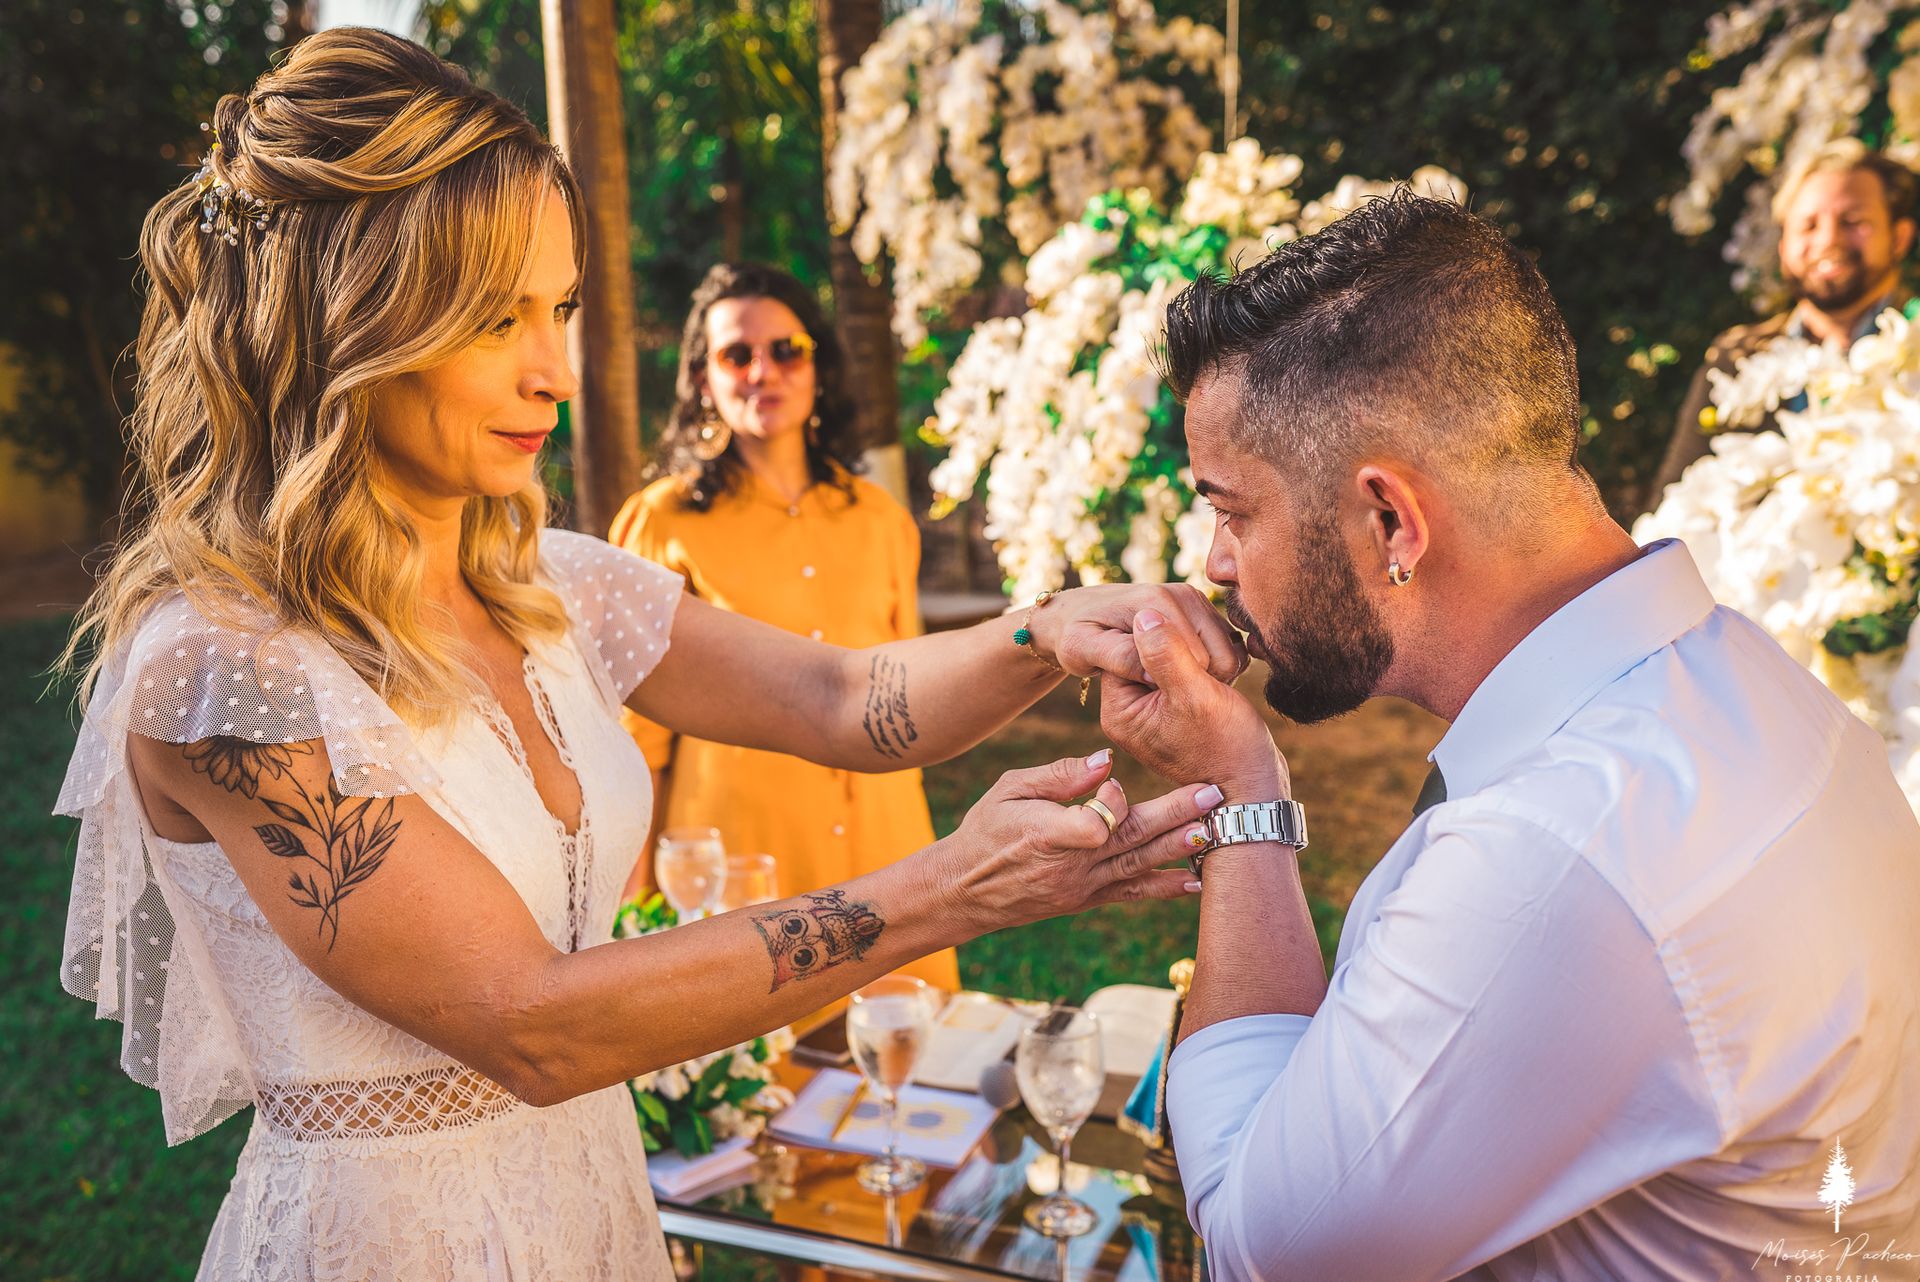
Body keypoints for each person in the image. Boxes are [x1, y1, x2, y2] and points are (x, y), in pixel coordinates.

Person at [52, 29, 1243, 1281]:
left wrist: (1047, 630)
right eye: (494, 318)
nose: (554, 372)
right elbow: (531, 1023)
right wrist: (949, 889)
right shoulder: (223, 671)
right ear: (341, 324)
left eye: (559, 308)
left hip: (594, 1208)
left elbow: (840, 694)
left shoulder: (552, 583)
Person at [1098, 191, 1920, 1278]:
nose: (1214, 563)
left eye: (1234, 509)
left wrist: (1239, 786)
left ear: (1390, 520)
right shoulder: (1753, 686)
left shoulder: (1557, 850)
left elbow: (1265, 1248)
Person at [609, 262, 955, 994]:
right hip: (742, 862)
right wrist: (627, 923)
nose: (761, 371)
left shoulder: (881, 521)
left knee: (907, 1073)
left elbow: (911, 697)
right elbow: (634, 745)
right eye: (736, 354)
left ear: (817, 366)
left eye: (785, 350)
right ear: (704, 378)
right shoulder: (659, 524)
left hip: (884, 849)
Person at [1649, 139, 1916, 500]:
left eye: (1853, 221)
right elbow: (1674, 505)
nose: (1828, 239)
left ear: (1899, 238)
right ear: (1783, 245)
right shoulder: (1737, 357)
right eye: (1808, 225)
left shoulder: (1911, 341)